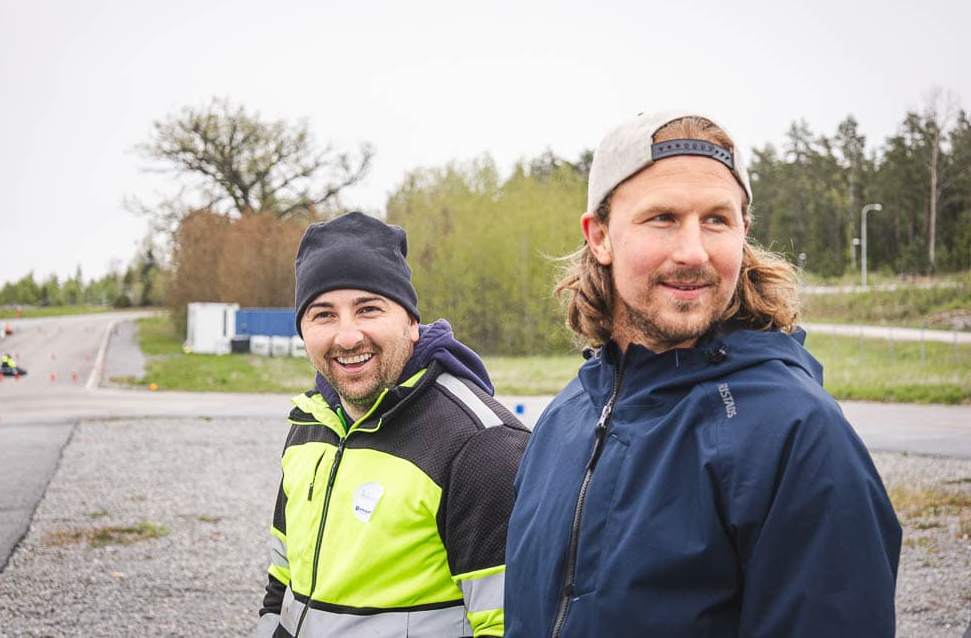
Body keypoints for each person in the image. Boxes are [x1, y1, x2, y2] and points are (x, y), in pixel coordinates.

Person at [503, 110, 902, 637]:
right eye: (663, 218)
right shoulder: (563, 421)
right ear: (599, 236)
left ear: (743, 233)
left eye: (717, 219)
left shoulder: (799, 435)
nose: (693, 252)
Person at [258, 211, 529, 638]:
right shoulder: (311, 424)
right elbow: (281, 585)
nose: (347, 337)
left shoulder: (480, 446)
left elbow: (513, 625)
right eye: (323, 314)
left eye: (368, 309)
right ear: (303, 329)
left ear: (411, 322)